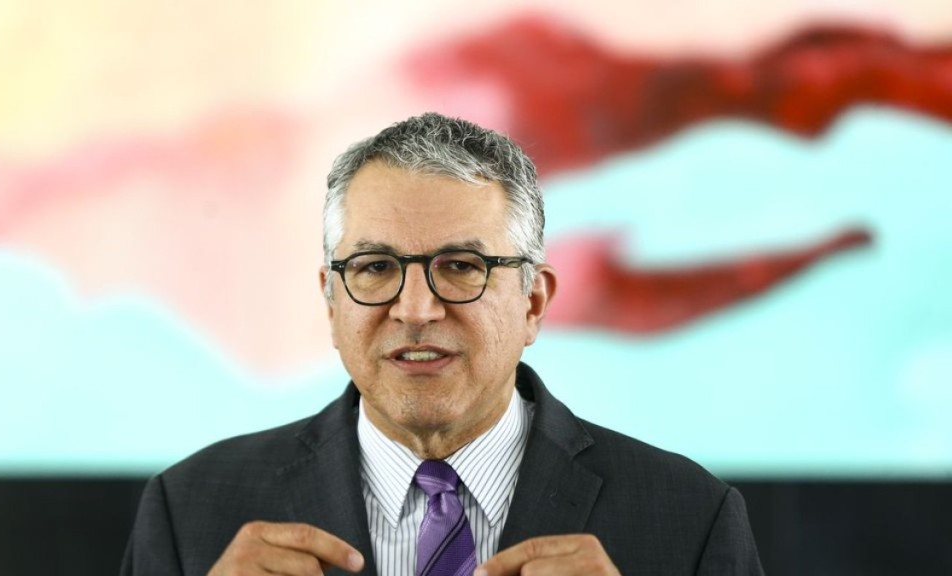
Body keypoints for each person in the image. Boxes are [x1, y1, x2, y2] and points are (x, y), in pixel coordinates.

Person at [120, 112, 764, 575]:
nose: (416, 309)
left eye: (460, 266)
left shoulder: (691, 518)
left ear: (533, 302)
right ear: (332, 300)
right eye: (375, 267)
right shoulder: (190, 511)